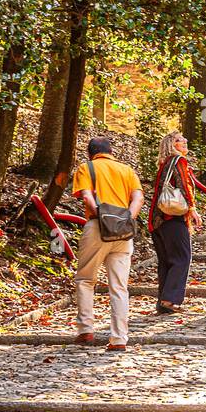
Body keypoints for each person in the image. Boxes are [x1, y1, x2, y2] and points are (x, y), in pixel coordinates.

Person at [70, 135, 144, 350]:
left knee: (85, 279)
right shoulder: (127, 170)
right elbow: (138, 198)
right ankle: (119, 338)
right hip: (123, 233)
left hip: (97, 227)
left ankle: (86, 329)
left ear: (90, 153)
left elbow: (86, 197)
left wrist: (102, 216)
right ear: (111, 151)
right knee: (119, 286)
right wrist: (127, 219)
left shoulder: (87, 168)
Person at [148, 132, 206, 314]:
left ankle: (163, 302)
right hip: (172, 218)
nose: (184, 141)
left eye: (184, 138)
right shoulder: (179, 162)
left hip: (157, 219)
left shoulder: (164, 164)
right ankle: (170, 300)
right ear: (171, 145)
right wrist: (192, 209)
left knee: (166, 261)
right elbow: (185, 186)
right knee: (182, 258)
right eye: (179, 139)